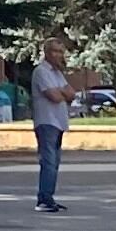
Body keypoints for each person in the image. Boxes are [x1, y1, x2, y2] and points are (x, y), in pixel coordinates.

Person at [28, 37, 74, 213]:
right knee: (48, 161)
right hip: (47, 121)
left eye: (61, 52)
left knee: (55, 162)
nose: (58, 55)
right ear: (47, 53)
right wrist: (61, 93)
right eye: (55, 51)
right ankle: (44, 199)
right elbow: (54, 97)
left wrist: (61, 92)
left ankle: (49, 197)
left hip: (59, 122)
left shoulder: (57, 73)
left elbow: (71, 94)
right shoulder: (41, 72)